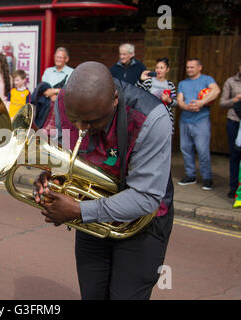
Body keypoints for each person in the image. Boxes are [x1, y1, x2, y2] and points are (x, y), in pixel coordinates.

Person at [33, 61, 174, 300]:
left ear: (115, 100)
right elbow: (66, 158)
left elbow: (146, 198)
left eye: (91, 122)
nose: (81, 129)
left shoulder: (152, 118)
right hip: (92, 218)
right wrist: (51, 178)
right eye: (75, 119)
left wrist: (77, 208)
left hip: (143, 225)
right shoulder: (66, 103)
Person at [177, 58, 220, 191]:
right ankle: (190, 175)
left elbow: (216, 91)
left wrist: (201, 103)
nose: (189, 69)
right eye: (188, 67)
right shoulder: (182, 83)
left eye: (192, 67)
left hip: (201, 120)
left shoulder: (207, 79)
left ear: (199, 67)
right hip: (185, 119)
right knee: (185, 148)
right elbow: (180, 100)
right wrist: (185, 106)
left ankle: (207, 178)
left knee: (202, 150)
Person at [136, 57, 177, 133]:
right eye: (157, 67)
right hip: (150, 117)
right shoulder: (149, 82)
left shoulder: (170, 85)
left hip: (165, 118)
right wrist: (141, 80)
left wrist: (168, 100)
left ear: (167, 70)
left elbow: (175, 102)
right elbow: (137, 92)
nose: (158, 70)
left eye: (161, 68)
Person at [220, 62, 241, 198]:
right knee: (235, 156)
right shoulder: (231, 81)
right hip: (234, 122)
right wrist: (235, 99)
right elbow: (222, 103)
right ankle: (233, 187)